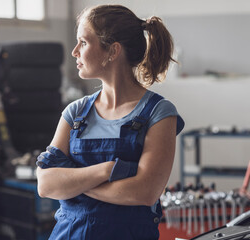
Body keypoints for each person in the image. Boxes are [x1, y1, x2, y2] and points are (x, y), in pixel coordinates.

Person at [36, 4, 185, 240]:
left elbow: (144, 192)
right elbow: (45, 184)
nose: (75, 51)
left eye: (83, 42)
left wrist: (74, 183)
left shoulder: (159, 113)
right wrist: (107, 170)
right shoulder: (75, 113)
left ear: (112, 51)